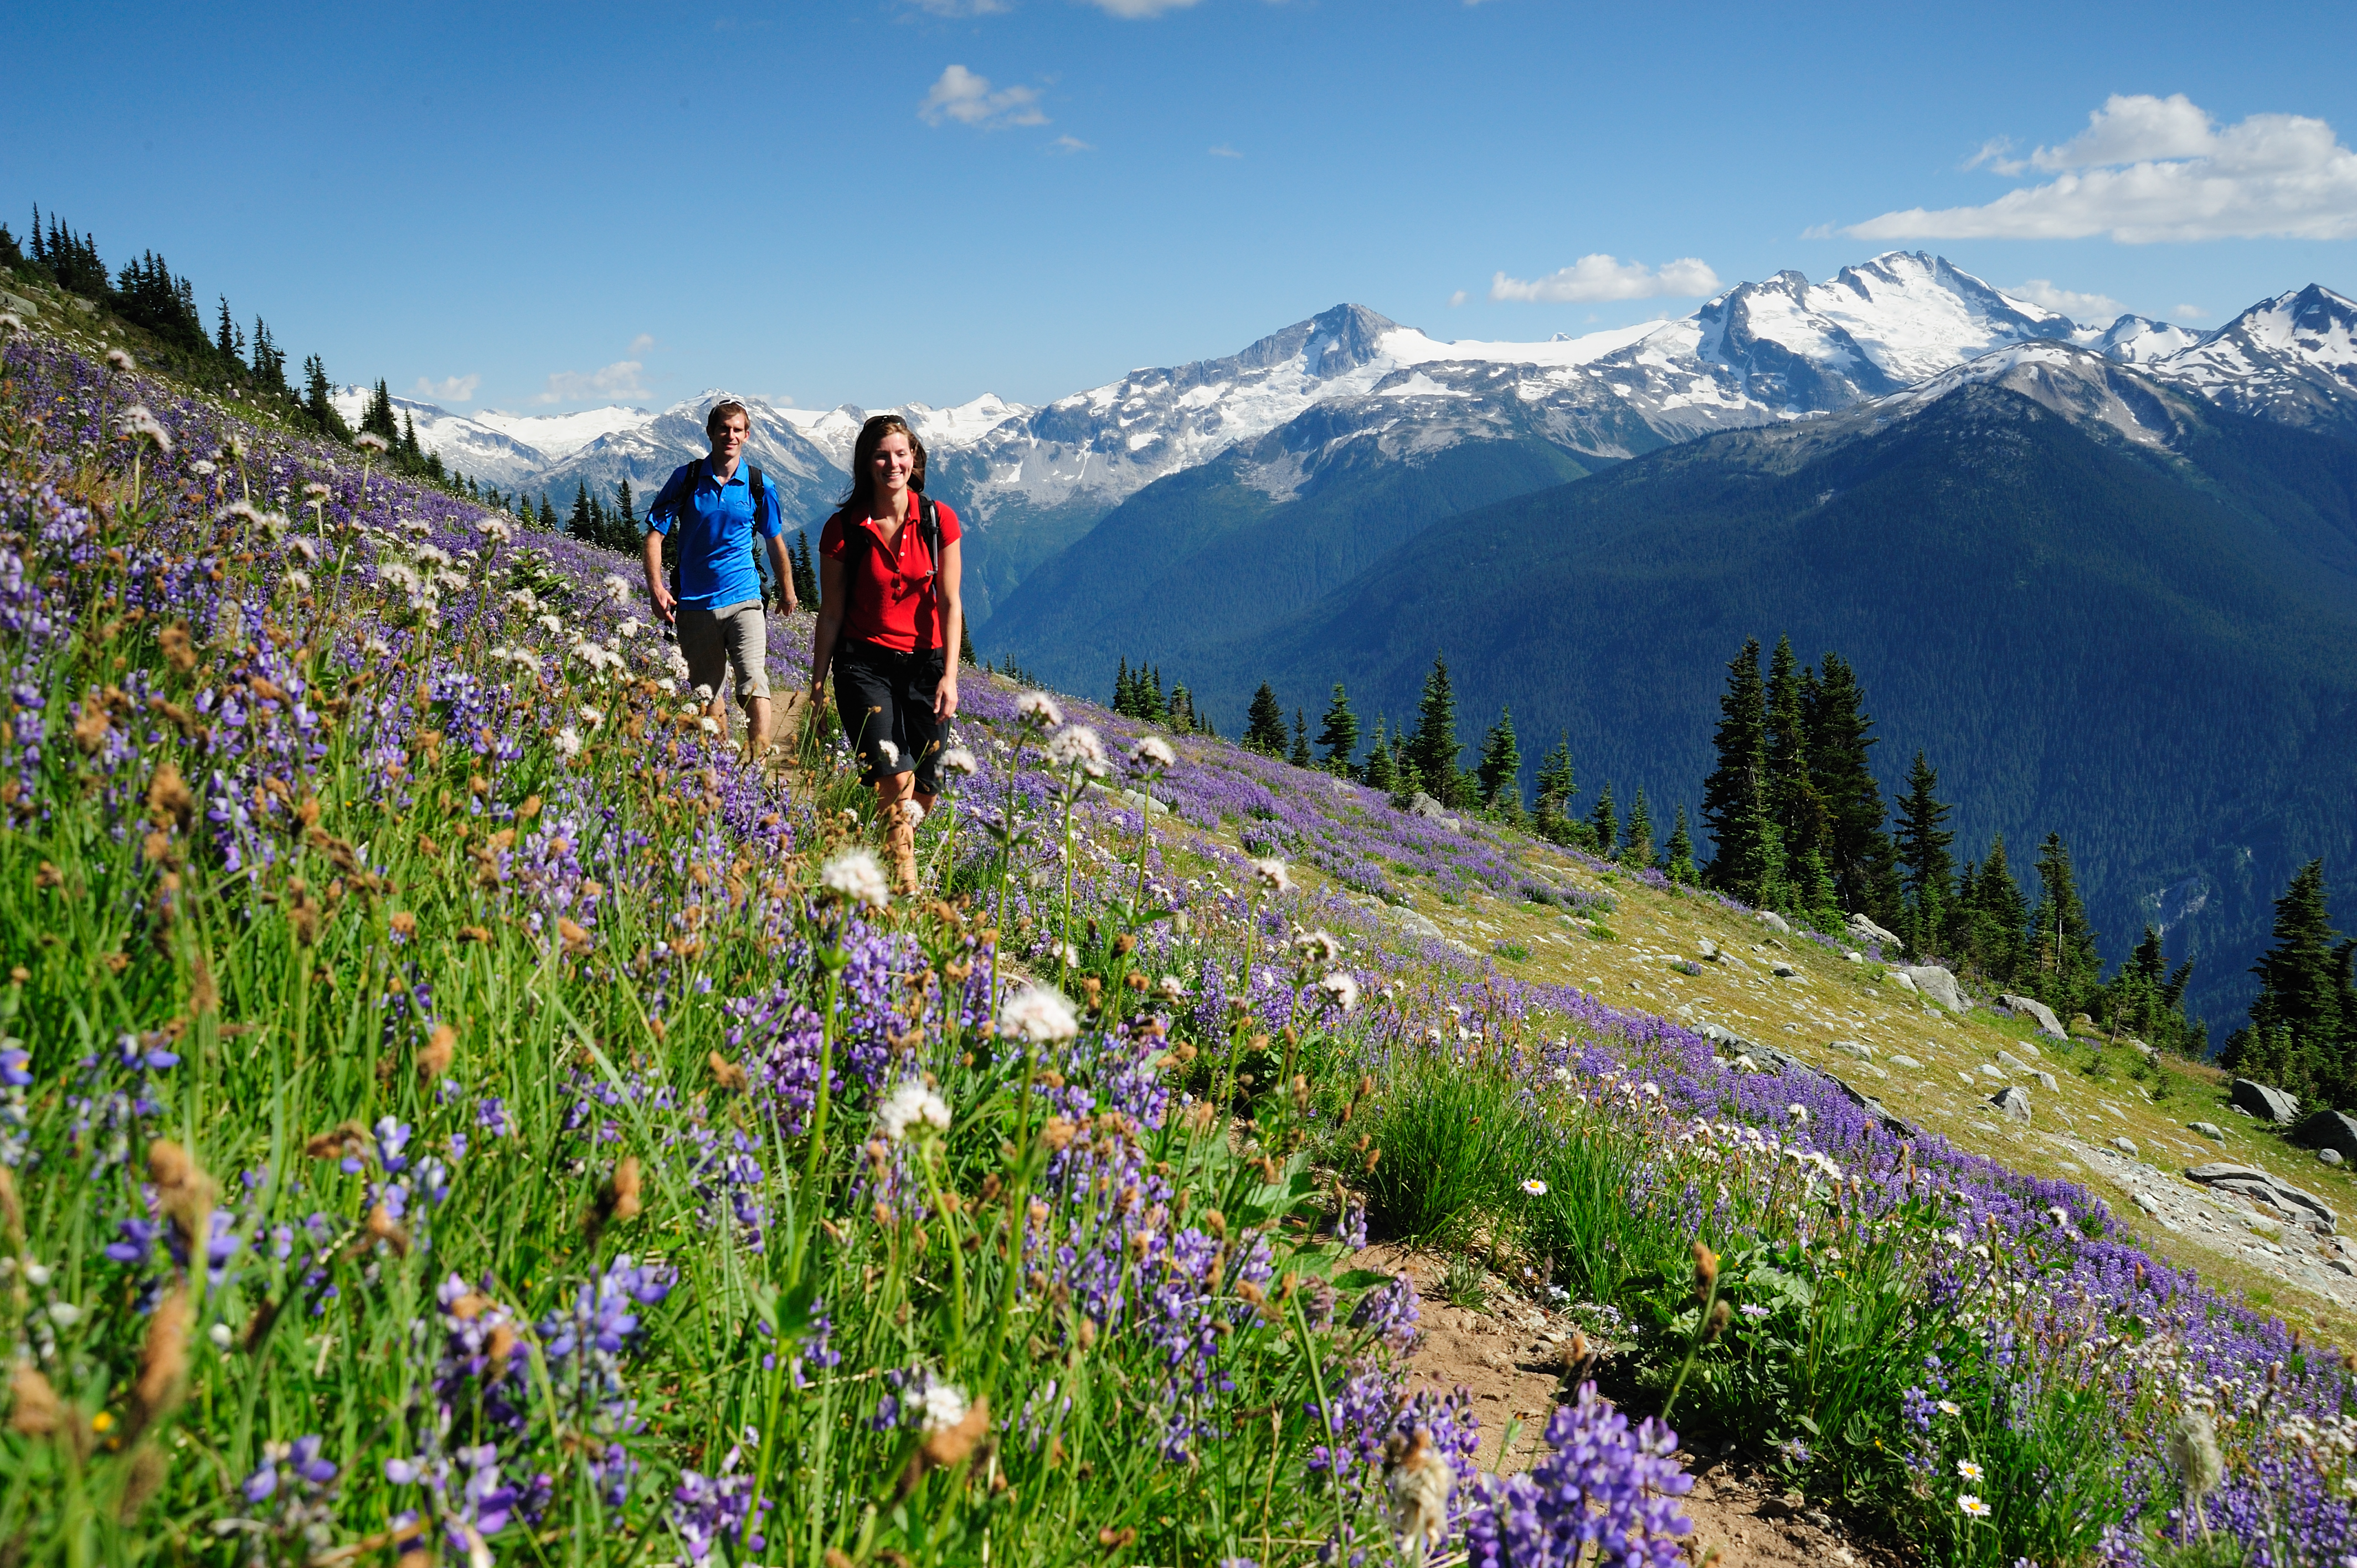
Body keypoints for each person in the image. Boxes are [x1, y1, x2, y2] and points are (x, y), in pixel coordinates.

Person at [809, 414, 964, 894]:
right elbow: (831, 615)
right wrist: (817, 686)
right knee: (894, 778)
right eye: (882, 455)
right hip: (863, 665)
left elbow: (951, 602)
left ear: (913, 458)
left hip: (927, 664)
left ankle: (884, 846)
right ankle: (905, 890)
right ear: (866, 464)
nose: (892, 463)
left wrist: (951, 676)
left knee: (929, 782)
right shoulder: (844, 529)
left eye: (901, 453)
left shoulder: (939, 520)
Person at [643, 401, 797, 761]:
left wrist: (787, 589)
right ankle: (724, 767)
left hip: (745, 598)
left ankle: (756, 768)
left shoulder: (759, 485)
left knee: (753, 681)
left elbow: (774, 541)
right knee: (706, 694)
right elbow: (654, 535)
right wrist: (656, 588)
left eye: (737, 429)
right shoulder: (686, 479)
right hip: (695, 604)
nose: (730, 436)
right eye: (724, 429)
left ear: (747, 434)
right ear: (711, 433)